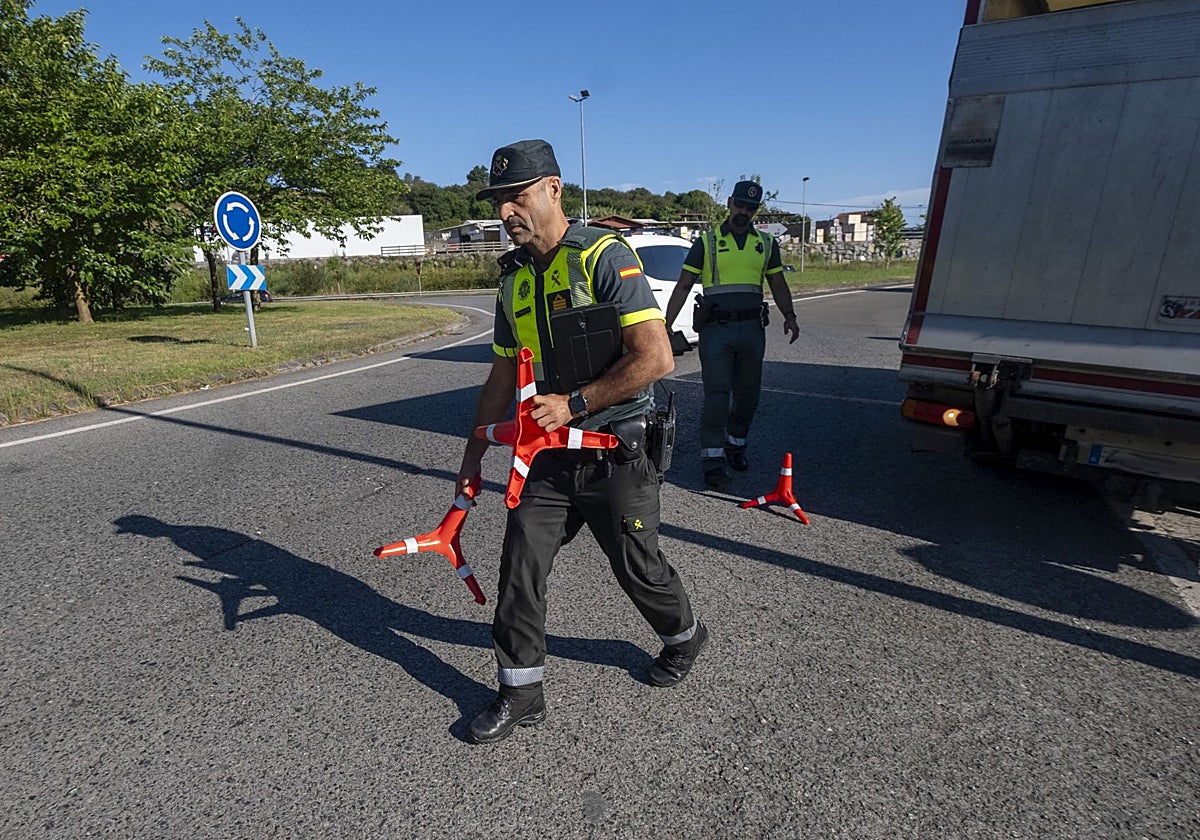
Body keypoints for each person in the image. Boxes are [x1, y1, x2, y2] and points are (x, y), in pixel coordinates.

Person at [457, 139, 708, 745]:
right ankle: (520, 690)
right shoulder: (512, 282)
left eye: (516, 198)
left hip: (614, 448)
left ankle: (683, 636)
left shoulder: (604, 255)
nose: (506, 214)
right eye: (499, 203)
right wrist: (471, 455)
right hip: (546, 454)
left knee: (637, 567)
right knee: (521, 563)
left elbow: (657, 358)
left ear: (553, 189)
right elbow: (499, 374)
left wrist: (574, 403)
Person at [664, 180, 800, 488]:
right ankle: (712, 461)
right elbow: (684, 285)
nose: (744, 212)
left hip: (752, 330)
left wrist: (790, 316)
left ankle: (736, 446)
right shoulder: (707, 242)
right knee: (716, 396)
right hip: (716, 331)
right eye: (740, 205)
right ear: (729, 202)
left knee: (748, 396)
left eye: (751, 208)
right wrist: (665, 324)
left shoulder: (766, 244)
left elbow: (778, 284)